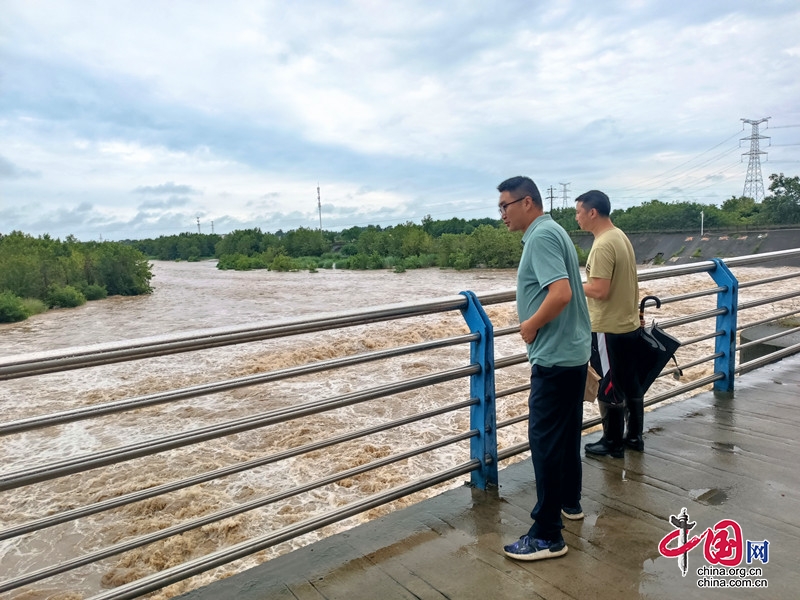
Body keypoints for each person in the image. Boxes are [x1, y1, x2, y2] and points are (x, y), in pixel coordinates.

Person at [497, 176, 591, 562]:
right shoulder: (554, 230)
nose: (501, 213)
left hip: (554, 356)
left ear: (528, 202)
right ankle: (570, 501)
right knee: (566, 435)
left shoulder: (540, 236)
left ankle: (547, 534)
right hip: (571, 352)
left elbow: (562, 292)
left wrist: (530, 325)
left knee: (546, 443)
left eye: (505, 205)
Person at [575, 190, 643, 458]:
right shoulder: (620, 236)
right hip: (626, 323)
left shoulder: (603, 244)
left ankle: (612, 442)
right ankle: (634, 437)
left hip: (607, 326)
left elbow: (600, 290)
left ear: (592, 212)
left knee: (609, 383)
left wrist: (571, 288)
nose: (577, 218)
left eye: (579, 212)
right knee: (629, 381)